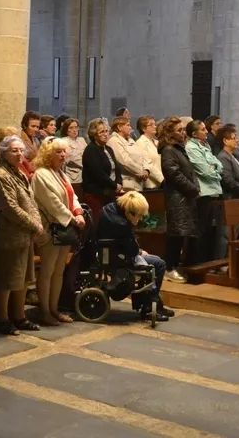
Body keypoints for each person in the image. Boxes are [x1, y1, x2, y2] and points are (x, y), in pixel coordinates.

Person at [0, 135, 43, 335]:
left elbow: (30, 201)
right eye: (14, 150)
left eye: (21, 150)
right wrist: (33, 224)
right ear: (3, 153)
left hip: (24, 234)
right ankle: (2, 318)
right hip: (9, 235)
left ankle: (19, 316)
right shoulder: (1, 176)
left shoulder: (18, 173)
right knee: (7, 279)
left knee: (23, 278)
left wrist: (36, 224)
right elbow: (10, 207)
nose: (20, 154)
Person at [32, 138, 86, 326]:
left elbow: (72, 197)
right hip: (50, 229)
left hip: (64, 228)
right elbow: (53, 204)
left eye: (64, 151)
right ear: (48, 154)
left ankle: (54, 309)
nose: (63, 155)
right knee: (47, 272)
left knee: (59, 272)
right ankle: (44, 311)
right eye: (58, 152)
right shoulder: (41, 174)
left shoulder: (60, 172)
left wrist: (78, 212)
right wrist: (73, 219)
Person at [96, 191, 174, 320]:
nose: (140, 219)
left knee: (156, 261)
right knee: (159, 264)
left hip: (112, 253)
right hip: (120, 258)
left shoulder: (110, 208)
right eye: (139, 216)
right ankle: (150, 306)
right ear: (129, 213)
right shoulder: (122, 224)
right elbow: (132, 250)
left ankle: (154, 303)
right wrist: (139, 251)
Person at [158, 116, 200, 283]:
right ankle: (169, 267)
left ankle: (175, 265)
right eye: (180, 130)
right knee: (176, 234)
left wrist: (195, 186)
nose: (184, 132)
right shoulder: (168, 150)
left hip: (185, 196)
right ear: (170, 133)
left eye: (183, 129)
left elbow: (190, 171)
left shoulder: (178, 148)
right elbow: (174, 174)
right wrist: (192, 188)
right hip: (177, 197)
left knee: (182, 233)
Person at [184, 119, 223, 266]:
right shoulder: (191, 147)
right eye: (203, 129)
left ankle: (206, 261)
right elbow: (204, 170)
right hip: (203, 192)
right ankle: (195, 263)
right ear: (194, 133)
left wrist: (215, 170)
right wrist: (216, 172)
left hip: (213, 190)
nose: (206, 132)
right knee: (200, 229)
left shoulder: (204, 145)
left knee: (209, 229)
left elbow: (218, 164)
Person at [216, 126, 239, 258]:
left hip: (238, 199)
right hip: (230, 199)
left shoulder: (234, 156)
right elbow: (227, 180)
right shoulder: (223, 157)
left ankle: (231, 260)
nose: (237, 140)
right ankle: (221, 262)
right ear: (225, 141)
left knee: (235, 232)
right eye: (233, 138)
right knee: (226, 234)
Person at [81, 118, 122, 222]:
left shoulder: (108, 149)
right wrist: (114, 185)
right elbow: (98, 174)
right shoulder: (91, 150)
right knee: (99, 223)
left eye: (106, 131)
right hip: (96, 194)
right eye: (101, 132)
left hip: (109, 192)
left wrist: (119, 182)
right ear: (94, 134)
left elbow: (117, 168)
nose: (105, 134)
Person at [107, 117, 149, 192]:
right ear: (119, 127)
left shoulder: (131, 140)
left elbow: (141, 156)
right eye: (128, 125)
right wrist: (141, 171)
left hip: (138, 182)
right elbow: (124, 161)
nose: (130, 128)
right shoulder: (114, 141)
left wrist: (146, 170)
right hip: (126, 184)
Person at [133, 115, 163, 189]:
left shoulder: (157, 142)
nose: (155, 126)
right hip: (152, 184)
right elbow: (148, 164)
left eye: (154, 124)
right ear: (143, 128)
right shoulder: (140, 143)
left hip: (162, 184)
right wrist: (162, 179)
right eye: (151, 125)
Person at [60, 117, 86, 184]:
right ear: (66, 130)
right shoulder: (64, 141)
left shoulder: (81, 140)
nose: (74, 130)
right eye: (71, 128)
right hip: (72, 177)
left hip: (84, 175)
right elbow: (70, 159)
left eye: (76, 127)